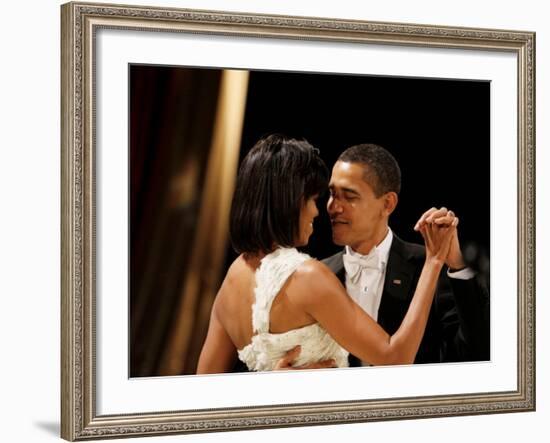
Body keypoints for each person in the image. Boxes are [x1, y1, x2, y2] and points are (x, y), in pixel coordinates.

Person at [196, 135, 458, 374]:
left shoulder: (233, 276)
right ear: (289, 202)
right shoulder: (308, 276)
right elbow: (395, 357)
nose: (319, 211)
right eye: (313, 199)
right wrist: (434, 261)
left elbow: (205, 389)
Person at [299, 143, 488, 366]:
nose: (333, 207)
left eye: (349, 196)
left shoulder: (427, 266)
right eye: (332, 194)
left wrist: (457, 265)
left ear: (387, 203)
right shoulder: (318, 274)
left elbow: (477, 352)